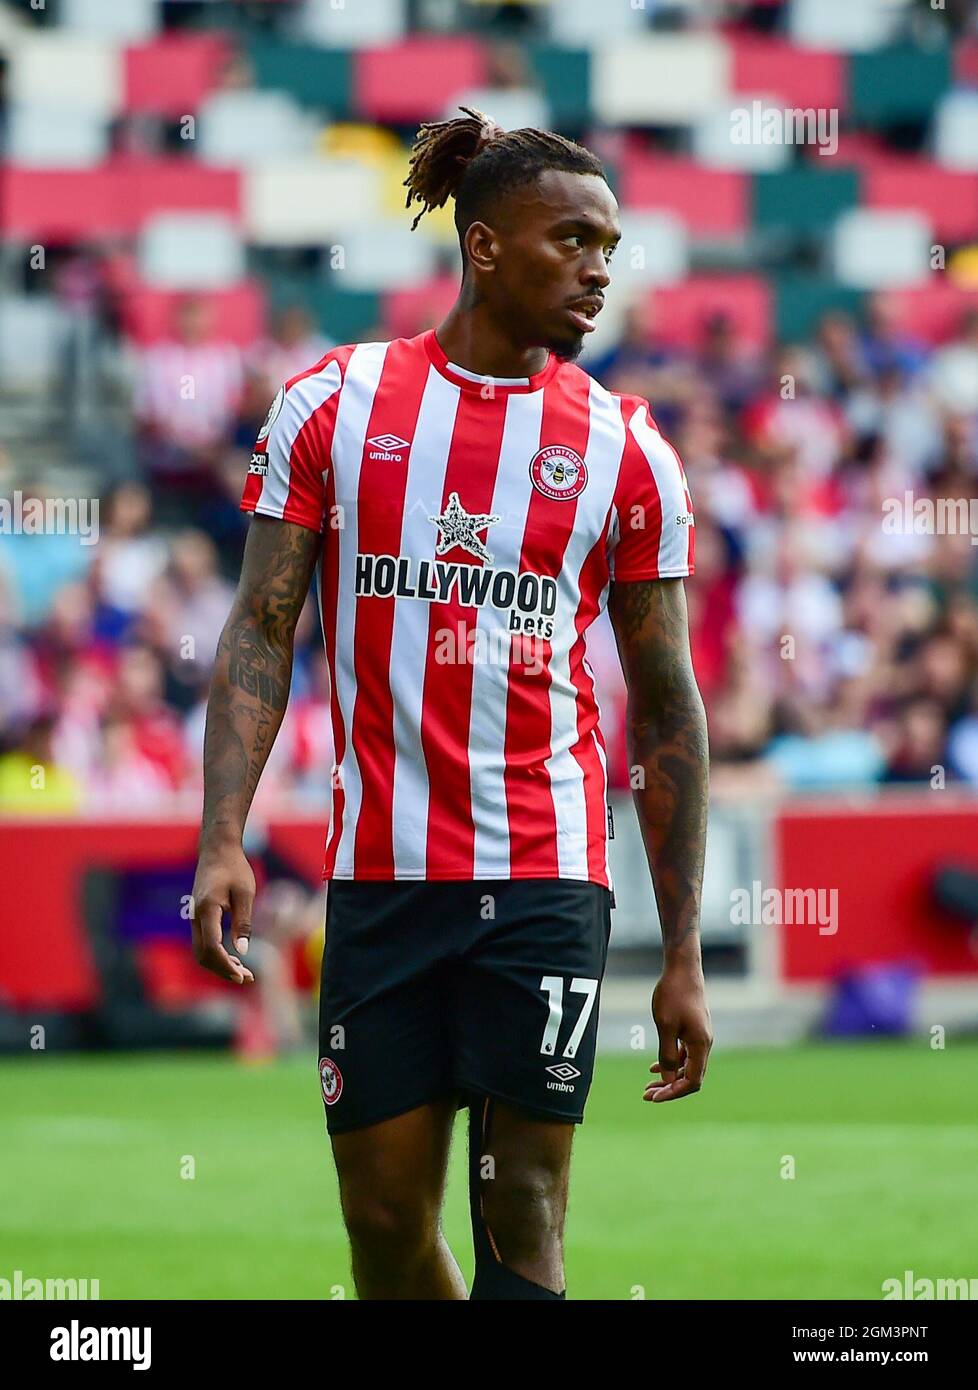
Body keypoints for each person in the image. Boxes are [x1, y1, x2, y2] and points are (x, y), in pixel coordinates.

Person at [190, 107, 712, 1301]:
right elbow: (263, 628)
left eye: (610, 249)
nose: (597, 271)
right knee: (382, 1220)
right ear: (483, 247)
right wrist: (224, 831)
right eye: (572, 241)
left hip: (546, 871)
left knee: (519, 1206)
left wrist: (681, 950)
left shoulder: (630, 452)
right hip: (381, 878)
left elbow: (669, 704)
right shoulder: (333, 405)